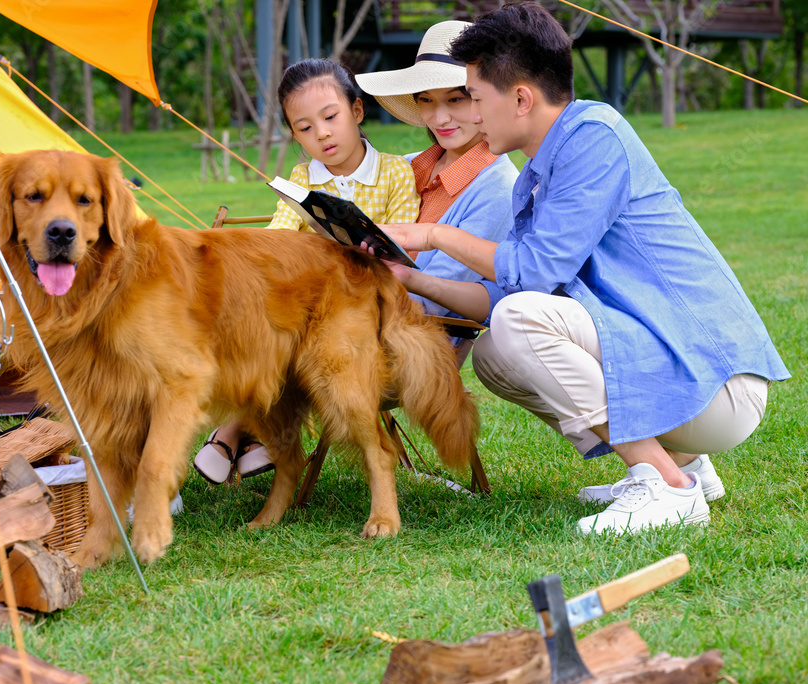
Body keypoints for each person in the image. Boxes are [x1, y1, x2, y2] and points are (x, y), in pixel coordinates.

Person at [381, 2, 790, 534]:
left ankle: (666, 485)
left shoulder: (594, 136)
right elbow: (505, 293)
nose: (471, 116)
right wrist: (412, 276)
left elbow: (531, 273)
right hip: (675, 376)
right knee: (496, 350)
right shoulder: (542, 169)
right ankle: (683, 465)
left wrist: (433, 234)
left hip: (717, 383)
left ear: (521, 98)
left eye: (476, 99)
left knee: (519, 326)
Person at [193, 58, 421, 486]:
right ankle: (255, 435)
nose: (322, 134)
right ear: (294, 134)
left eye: (331, 117)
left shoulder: (393, 171)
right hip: (307, 308)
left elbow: (401, 250)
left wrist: (348, 246)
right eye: (305, 128)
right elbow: (276, 239)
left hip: (365, 308)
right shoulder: (303, 178)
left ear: (356, 111)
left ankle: (234, 433)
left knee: (289, 334)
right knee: (264, 319)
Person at [355, 19, 518, 354]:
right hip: (360, 308)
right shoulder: (408, 166)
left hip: (410, 339)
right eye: (426, 100)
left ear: (480, 99)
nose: (439, 118)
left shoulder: (497, 187)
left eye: (455, 99)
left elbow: (430, 302)